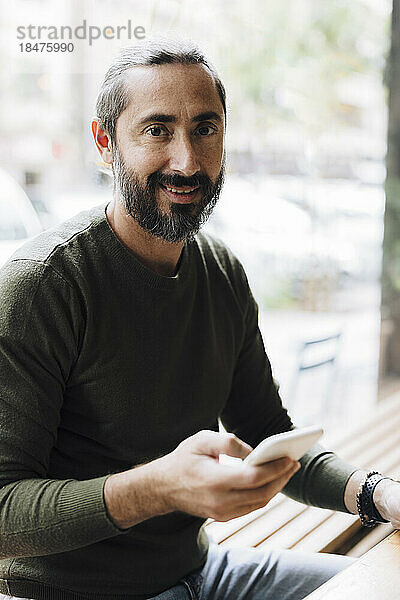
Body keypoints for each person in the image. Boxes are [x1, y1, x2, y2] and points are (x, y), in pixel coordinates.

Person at [0, 39, 399, 600]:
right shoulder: (43, 285)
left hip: (204, 574)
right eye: (157, 130)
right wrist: (159, 488)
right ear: (105, 143)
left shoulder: (222, 272)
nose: (186, 161)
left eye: (205, 129)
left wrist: (380, 494)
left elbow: (269, 435)